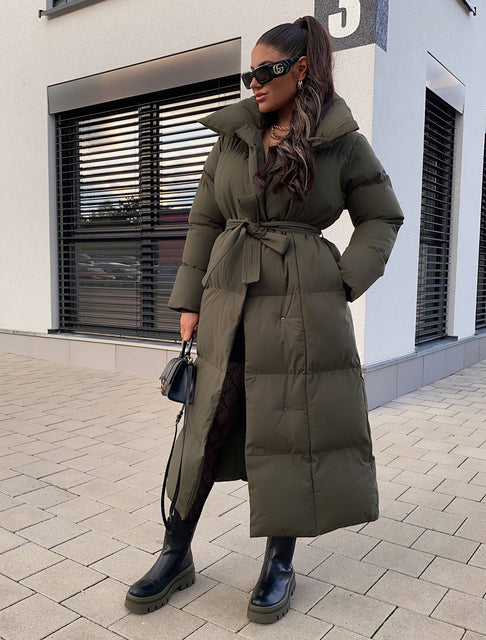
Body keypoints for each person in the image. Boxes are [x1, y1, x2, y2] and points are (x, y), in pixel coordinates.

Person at [125, 16, 404, 624]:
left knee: (291, 430)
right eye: (248, 73)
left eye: (265, 71)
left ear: (300, 69)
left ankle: (280, 563)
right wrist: (189, 301)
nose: (253, 83)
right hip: (229, 298)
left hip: (302, 306)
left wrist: (343, 280)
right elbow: (204, 219)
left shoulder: (341, 140)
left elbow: (382, 215)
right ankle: (176, 551)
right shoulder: (233, 137)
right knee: (206, 425)